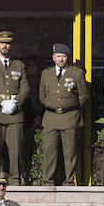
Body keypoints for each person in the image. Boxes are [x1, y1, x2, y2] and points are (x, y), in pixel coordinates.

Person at [0, 31, 29, 185]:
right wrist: (1, 103)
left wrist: (16, 102)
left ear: (11, 45)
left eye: (7, 43)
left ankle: (15, 180)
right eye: (2, 43)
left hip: (15, 113)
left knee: (15, 150)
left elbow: (25, 88)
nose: (5, 46)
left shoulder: (19, 65)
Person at [39, 43, 89, 186]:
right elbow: (42, 96)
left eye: (64, 56)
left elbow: (83, 96)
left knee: (70, 153)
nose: (61, 59)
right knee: (49, 152)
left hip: (70, 117)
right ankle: (48, 181)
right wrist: (53, 105)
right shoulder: (46, 74)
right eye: (58, 56)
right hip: (51, 118)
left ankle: (69, 182)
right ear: (53, 57)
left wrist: (71, 107)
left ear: (68, 57)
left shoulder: (77, 73)